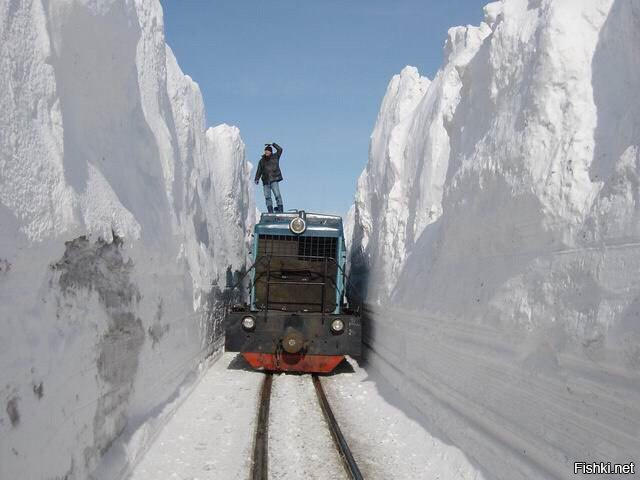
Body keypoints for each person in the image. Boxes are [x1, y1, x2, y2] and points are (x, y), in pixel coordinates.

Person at [254, 142, 284, 213]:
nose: (267, 152)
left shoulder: (275, 156)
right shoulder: (261, 161)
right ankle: (270, 211)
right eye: (266, 151)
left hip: (274, 179)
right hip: (265, 181)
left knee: (277, 195)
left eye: (268, 151)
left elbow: (280, 149)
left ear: (271, 151)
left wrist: (273, 144)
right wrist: (256, 178)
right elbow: (259, 170)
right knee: (267, 197)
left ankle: (280, 210)